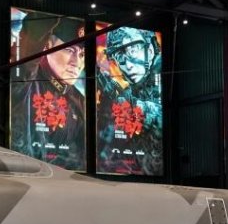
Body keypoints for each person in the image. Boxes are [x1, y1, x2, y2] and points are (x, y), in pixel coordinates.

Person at [10, 15, 87, 170]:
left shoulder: (80, 101)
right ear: (47, 46)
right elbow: (32, 40)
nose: (76, 63)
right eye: (69, 50)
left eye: (82, 55)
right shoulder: (26, 80)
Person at [98, 26, 163, 175]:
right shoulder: (130, 90)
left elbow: (163, 116)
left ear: (150, 51)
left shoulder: (160, 70)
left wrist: (128, 104)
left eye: (133, 51)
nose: (128, 65)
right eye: (120, 57)